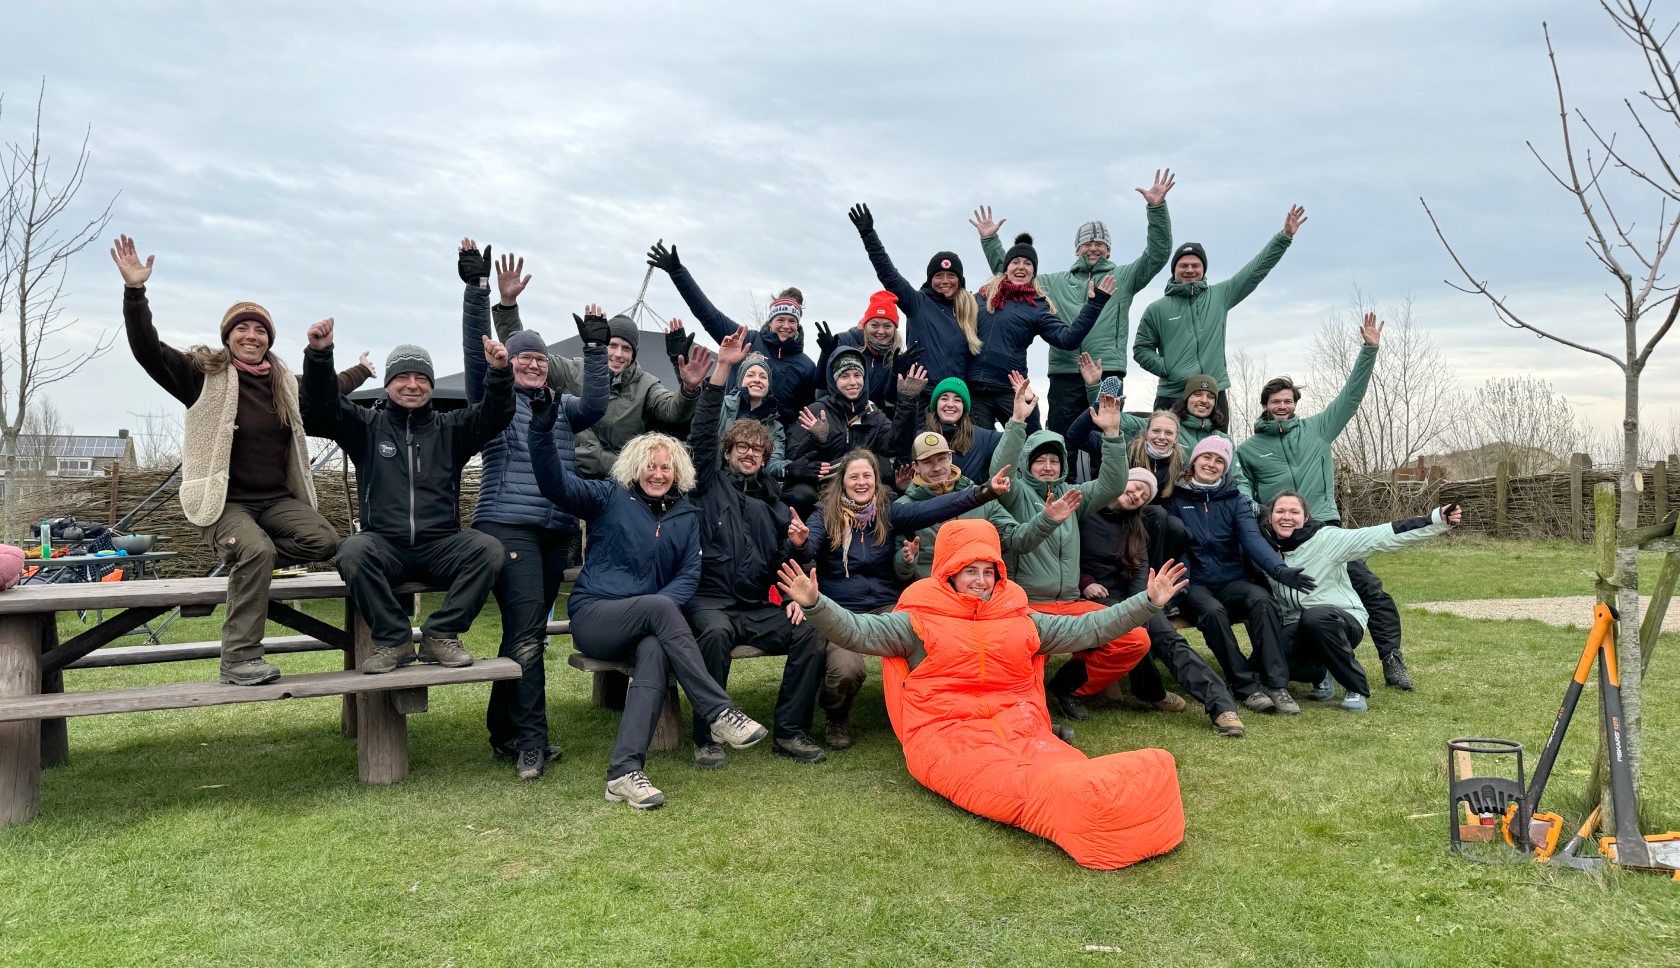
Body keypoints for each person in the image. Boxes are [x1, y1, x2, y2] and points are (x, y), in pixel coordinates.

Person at [777, 519, 1189, 870]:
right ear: (949, 573)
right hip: (946, 731)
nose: (979, 580)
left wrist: (1147, 603)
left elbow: (1092, 629)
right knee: (1033, 786)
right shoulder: (916, 621)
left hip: (1020, 722)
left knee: (1057, 764)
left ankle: (1093, 795)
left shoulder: (1021, 618)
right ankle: (1086, 808)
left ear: (998, 575)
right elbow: (856, 631)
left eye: (987, 571)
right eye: (969, 570)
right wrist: (816, 605)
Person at [112, 234, 374, 686]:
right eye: (242, 329)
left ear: (268, 339)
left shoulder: (282, 383)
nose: (251, 336)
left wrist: (360, 371)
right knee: (256, 550)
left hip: (275, 502)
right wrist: (135, 293)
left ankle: (251, 554)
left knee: (325, 541)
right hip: (224, 502)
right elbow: (147, 350)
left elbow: (322, 393)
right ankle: (239, 657)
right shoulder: (203, 375)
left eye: (260, 331)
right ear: (228, 336)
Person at [527, 406, 769, 809]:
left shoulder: (685, 515)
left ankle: (623, 773)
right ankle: (717, 710)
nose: (659, 474)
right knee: (659, 611)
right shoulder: (608, 497)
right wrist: (540, 432)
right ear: (635, 468)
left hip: (649, 624)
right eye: (651, 467)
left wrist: (657, 611)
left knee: (656, 648)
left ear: (678, 473)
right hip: (596, 616)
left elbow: (689, 575)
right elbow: (555, 484)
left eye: (666, 468)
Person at [459, 242, 610, 779]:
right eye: (522, 355)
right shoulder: (494, 401)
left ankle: (503, 732)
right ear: (510, 359)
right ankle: (531, 742)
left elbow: (596, 404)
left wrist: (596, 351)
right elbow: (480, 358)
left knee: (526, 633)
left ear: (547, 368)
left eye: (538, 358)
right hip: (507, 527)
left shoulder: (560, 407)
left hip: (556, 532)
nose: (529, 362)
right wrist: (478, 293)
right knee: (527, 633)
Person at [301, 320, 512, 679]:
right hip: (385, 546)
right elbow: (321, 408)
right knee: (351, 551)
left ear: (431, 385)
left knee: (489, 549)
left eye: (421, 378)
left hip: (441, 544)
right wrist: (320, 355)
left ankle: (441, 634)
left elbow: (496, 415)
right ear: (388, 384)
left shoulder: (452, 428)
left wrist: (499, 372)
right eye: (403, 377)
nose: (412, 385)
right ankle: (394, 640)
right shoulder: (366, 426)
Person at [1235, 312, 1412, 689]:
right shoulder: (1249, 449)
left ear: (1294, 403)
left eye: (1287, 400)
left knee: (1371, 588)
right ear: (1264, 405)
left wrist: (1369, 350)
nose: (1281, 406)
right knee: (1281, 602)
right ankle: (1302, 666)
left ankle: (1392, 658)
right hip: (1282, 539)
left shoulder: (1318, 429)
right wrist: (1266, 518)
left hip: (1326, 530)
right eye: (1274, 401)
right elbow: (1242, 491)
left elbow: (1352, 396)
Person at [790, 448, 1011, 749]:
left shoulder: (888, 511)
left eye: (867, 476)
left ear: (876, 480)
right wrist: (802, 544)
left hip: (886, 605)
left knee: (929, 646)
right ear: (842, 482)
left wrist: (983, 493)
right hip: (842, 608)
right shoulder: (823, 515)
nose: (861, 482)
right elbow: (808, 546)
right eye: (853, 476)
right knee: (847, 670)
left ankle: (936, 714)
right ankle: (836, 717)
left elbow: (934, 508)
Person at [685, 327, 828, 768]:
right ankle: (706, 735)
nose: (748, 453)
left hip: (751, 607)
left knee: (811, 630)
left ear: (766, 458)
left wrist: (798, 569)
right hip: (710, 604)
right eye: (741, 447)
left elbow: (788, 563)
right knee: (714, 634)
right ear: (728, 452)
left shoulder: (776, 503)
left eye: (757, 450)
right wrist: (722, 370)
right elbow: (703, 434)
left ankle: (790, 731)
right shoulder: (707, 486)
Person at [987, 380, 1150, 721]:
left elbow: (1112, 484)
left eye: (1054, 460)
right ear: (1028, 464)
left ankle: (1068, 688)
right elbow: (998, 471)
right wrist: (1017, 422)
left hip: (1072, 604)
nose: (1047, 467)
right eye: (1040, 460)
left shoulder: (1073, 494)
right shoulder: (1015, 493)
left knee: (1133, 640)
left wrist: (1112, 434)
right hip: (1028, 606)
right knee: (1023, 676)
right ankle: (1027, 705)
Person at [975, 171, 1175, 437]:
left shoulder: (1124, 277)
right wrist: (990, 240)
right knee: (1060, 437)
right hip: (1064, 372)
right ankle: (1057, 480)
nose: (1094, 248)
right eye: (1087, 243)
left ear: (1109, 250)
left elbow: (1158, 255)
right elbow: (1014, 272)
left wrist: (1157, 209)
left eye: (1100, 244)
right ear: (1077, 249)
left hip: (1108, 371)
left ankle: (1104, 480)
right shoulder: (1052, 282)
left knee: (1106, 435)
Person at [486, 247, 708, 480]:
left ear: (634, 354)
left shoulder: (646, 385)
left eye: (626, 348)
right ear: (602, 343)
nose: (618, 354)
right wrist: (508, 304)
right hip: (571, 478)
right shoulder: (574, 370)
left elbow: (675, 412)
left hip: (619, 481)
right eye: (612, 345)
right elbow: (525, 355)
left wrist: (689, 388)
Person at [1080, 470, 1246, 737]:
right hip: (1095, 595)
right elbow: (1063, 554)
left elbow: (1140, 567)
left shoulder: (1136, 525)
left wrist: (1141, 605)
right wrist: (1083, 581)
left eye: (1144, 496)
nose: (1136, 495)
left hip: (1130, 595)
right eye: (1134, 487)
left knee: (1167, 637)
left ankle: (1222, 706)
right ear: (1120, 481)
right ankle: (1152, 691)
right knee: (1134, 635)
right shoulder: (1085, 511)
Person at [1261, 492, 1460, 711]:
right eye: (1280, 511)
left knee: (1316, 617)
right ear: (1269, 517)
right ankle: (1320, 670)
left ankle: (1356, 687)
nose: (1286, 517)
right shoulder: (1264, 549)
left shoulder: (1327, 539)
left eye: (1294, 512)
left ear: (1306, 518)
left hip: (1340, 621)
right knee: (1264, 663)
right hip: (1298, 627)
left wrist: (1434, 520)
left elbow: (1381, 535)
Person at [1162, 436, 1315, 715]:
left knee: (1262, 601)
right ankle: (1245, 686)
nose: (1212, 464)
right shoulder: (1174, 498)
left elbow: (1252, 539)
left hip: (1232, 581)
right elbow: (1175, 544)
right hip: (1193, 583)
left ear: (1226, 467)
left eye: (1219, 460)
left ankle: (1276, 685)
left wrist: (1279, 570)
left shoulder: (1235, 500)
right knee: (1212, 612)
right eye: (1206, 457)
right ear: (1194, 461)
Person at [1133, 205, 1308, 409]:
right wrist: (1169, 369)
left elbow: (1255, 271)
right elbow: (1141, 349)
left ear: (1203, 269)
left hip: (1213, 394)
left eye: (1195, 265)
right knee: (1163, 442)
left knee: (1220, 443)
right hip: (1173, 395)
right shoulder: (1157, 309)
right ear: (1174, 270)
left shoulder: (1220, 296)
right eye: (1183, 265)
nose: (1190, 270)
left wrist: (1284, 237)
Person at [959, 224, 1118, 428]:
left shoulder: (1037, 306)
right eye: (1015, 262)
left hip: (1012, 389)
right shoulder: (980, 297)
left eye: (1028, 264)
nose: (1021, 267)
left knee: (1032, 444)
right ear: (1006, 267)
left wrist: (1094, 305)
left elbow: (1068, 339)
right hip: (975, 389)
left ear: (1033, 272)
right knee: (979, 448)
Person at [647, 241, 817, 426]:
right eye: (780, 320)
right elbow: (709, 315)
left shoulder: (806, 366)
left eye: (792, 321)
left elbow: (803, 416)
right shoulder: (745, 340)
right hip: (729, 435)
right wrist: (678, 272)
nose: (786, 326)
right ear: (770, 322)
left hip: (774, 444)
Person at [894, 429, 1078, 583]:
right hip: (936, 600)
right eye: (927, 462)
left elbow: (1016, 540)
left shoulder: (981, 498)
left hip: (981, 596)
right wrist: (906, 561)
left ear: (950, 458)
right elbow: (899, 574)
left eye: (941, 459)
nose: (936, 468)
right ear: (915, 467)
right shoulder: (905, 508)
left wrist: (1047, 520)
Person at [846, 203, 981, 391]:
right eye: (938, 276)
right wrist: (868, 234)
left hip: (952, 398)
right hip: (919, 395)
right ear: (930, 279)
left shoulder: (970, 310)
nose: (945, 281)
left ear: (960, 280)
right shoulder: (917, 303)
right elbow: (888, 274)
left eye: (951, 276)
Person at [783, 347, 898, 520]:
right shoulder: (815, 410)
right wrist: (816, 440)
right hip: (820, 487)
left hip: (857, 485)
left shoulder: (874, 414)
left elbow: (896, 445)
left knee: (887, 496)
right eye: (844, 376)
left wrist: (908, 402)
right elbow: (793, 457)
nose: (852, 382)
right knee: (799, 495)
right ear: (834, 380)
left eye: (857, 375)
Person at [813, 290, 911, 418]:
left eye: (887, 326)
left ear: (894, 329)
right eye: (874, 325)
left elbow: (890, 399)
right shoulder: (844, 341)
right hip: (834, 415)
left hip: (869, 419)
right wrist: (826, 354)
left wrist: (897, 373)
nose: (880, 331)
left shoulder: (896, 357)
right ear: (865, 325)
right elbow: (820, 383)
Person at [900, 375, 1001, 484]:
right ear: (936, 404)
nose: (950, 404)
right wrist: (902, 487)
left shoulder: (984, 438)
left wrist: (1019, 415)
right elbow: (902, 475)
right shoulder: (917, 438)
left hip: (970, 500)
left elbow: (1014, 443)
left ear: (964, 407)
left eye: (957, 400)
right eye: (944, 398)